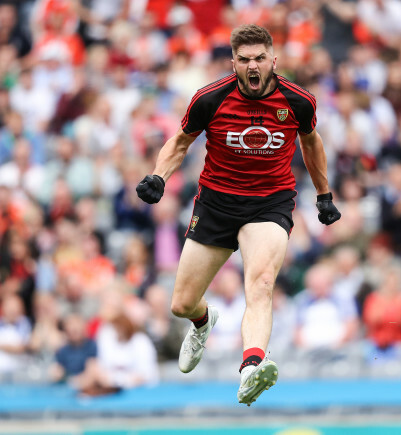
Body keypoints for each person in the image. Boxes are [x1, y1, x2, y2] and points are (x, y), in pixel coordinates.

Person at [135, 24, 341, 405]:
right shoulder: (210, 98)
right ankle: (202, 322)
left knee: (260, 284)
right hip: (215, 205)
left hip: (269, 203)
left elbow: (312, 143)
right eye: (244, 59)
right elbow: (180, 142)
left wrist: (324, 195)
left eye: (260, 58)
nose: (253, 66)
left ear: (272, 60)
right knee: (180, 303)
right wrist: (158, 176)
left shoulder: (298, 101)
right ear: (233, 62)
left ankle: (251, 367)